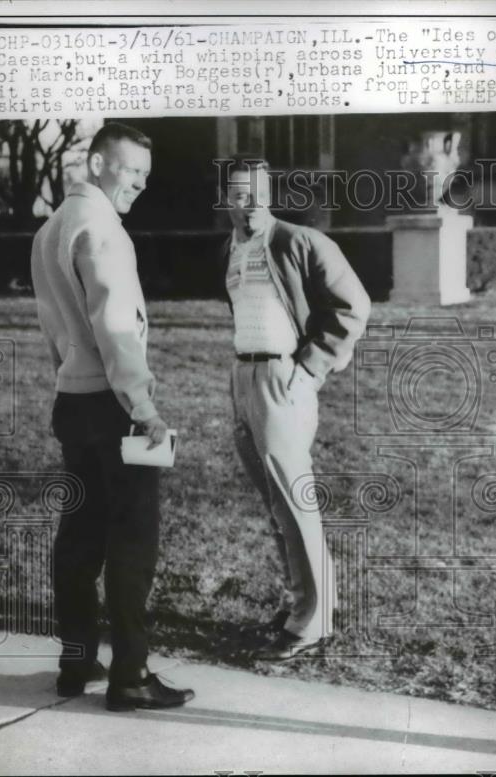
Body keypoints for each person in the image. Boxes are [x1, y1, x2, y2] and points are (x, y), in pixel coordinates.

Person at [30, 122, 194, 711]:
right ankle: (130, 676)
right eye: (131, 171)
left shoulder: (51, 228)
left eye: (146, 176)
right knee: (132, 542)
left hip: (72, 400)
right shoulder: (103, 231)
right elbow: (117, 328)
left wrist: (72, 377)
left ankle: (76, 663)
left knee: (79, 536)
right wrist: (143, 408)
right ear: (97, 164)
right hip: (115, 407)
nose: (140, 185)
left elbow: (55, 327)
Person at [216, 154, 371, 660]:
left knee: (295, 501)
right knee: (275, 503)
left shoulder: (298, 240)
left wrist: (310, 369)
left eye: (257, 193)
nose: (249, 205)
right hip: (244, 376)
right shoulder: (233, 248)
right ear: (226, 201)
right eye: (238, 194)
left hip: (284, 378)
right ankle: (301, 605)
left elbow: (353, 305)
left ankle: (313, 621)